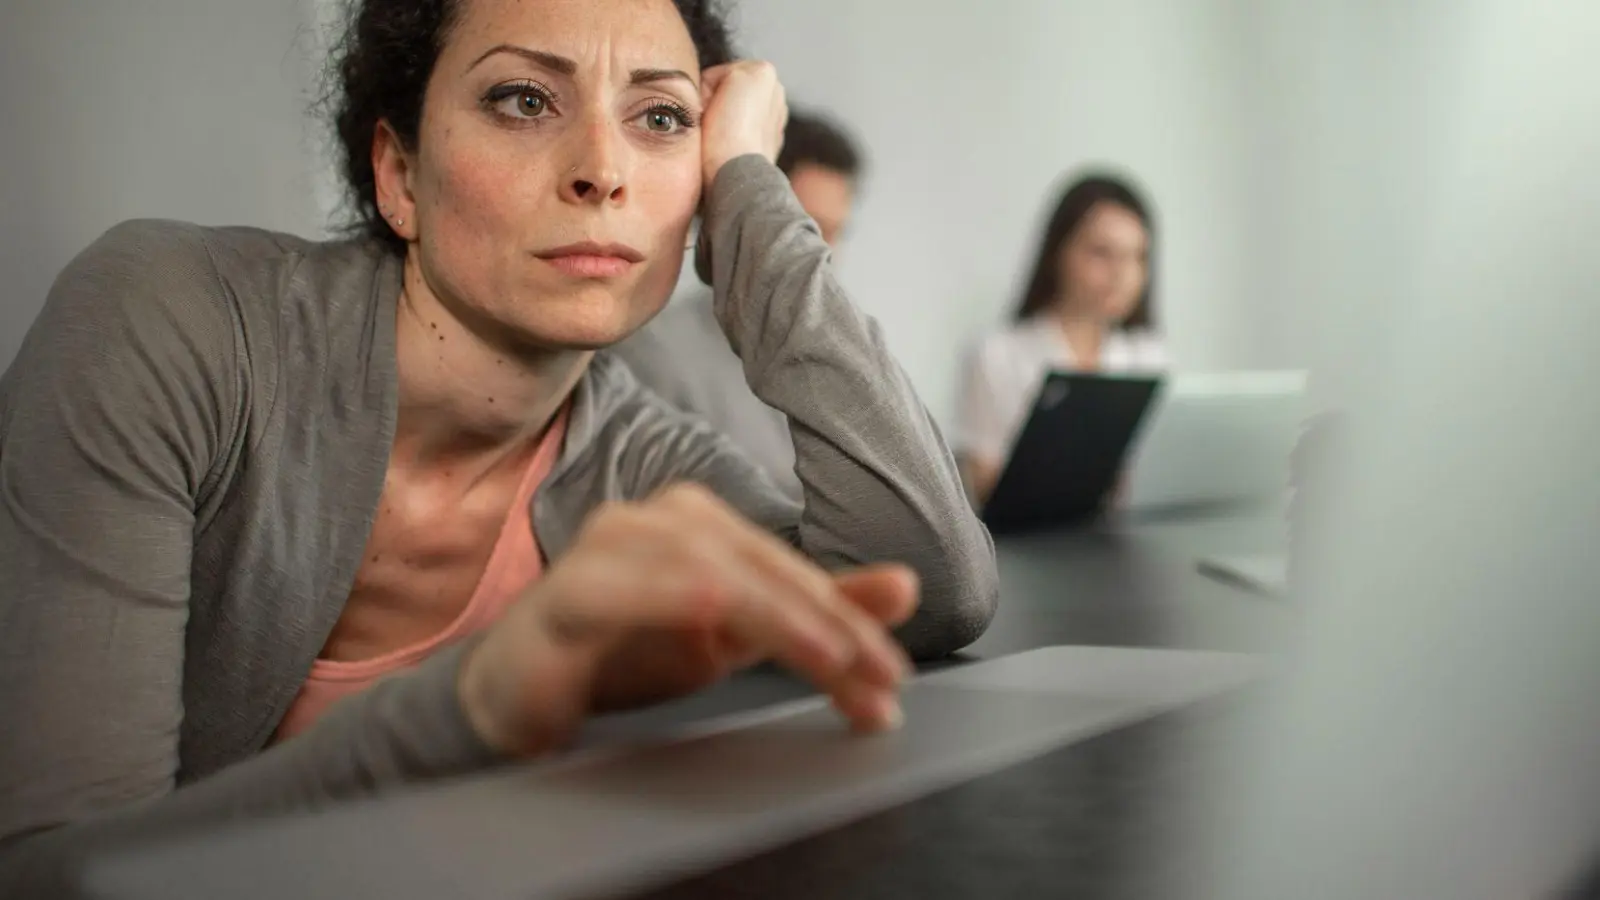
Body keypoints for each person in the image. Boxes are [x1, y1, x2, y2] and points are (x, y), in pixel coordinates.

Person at [0, 0, 997, 892]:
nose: (602, 171)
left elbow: (928, 587)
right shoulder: (168, 320)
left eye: (661, 119)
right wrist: (467, 709)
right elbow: (56, 874)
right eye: (523, 99)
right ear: (399, 176)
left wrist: (747, 190)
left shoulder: (638, 459)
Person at [610, 109, 864, 499]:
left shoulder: (840, 355)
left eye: (834, 233)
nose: (823, 256)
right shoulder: (653, 356)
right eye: (808, 228)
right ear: (749, 215)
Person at [956, 173, 1168, 504]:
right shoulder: (997, 354)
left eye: (1136, 257)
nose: (1121, 274)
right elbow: (984, 481)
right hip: (1030, 544)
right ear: (1058, 251)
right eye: (1102, 253)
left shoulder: (1150, 357)